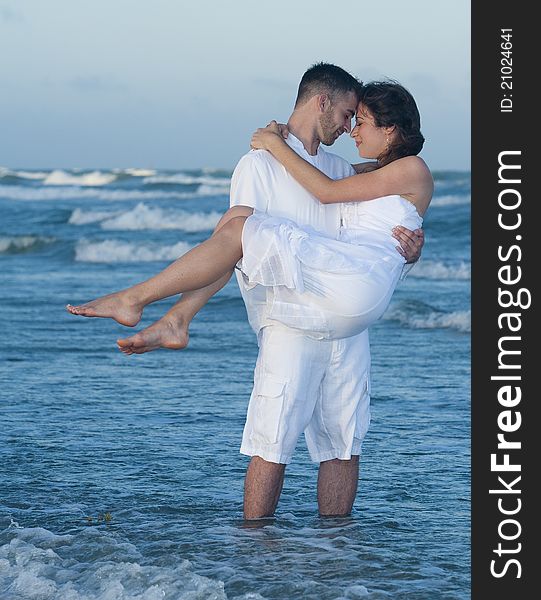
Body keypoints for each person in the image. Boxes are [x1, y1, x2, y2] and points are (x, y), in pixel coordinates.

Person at [67, 64, 426, 519]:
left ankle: (337, 553)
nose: (350, 127)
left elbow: (386, 211)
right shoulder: (258, 163)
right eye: (347, 114)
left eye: (360, 119)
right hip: (289, 315)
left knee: (343, 439)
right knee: (271, 440)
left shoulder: (336, 169)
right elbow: (229, 244)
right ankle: (256, 551)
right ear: (322, 102)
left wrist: (413, 246)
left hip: (342, 313)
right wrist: (274, 145)